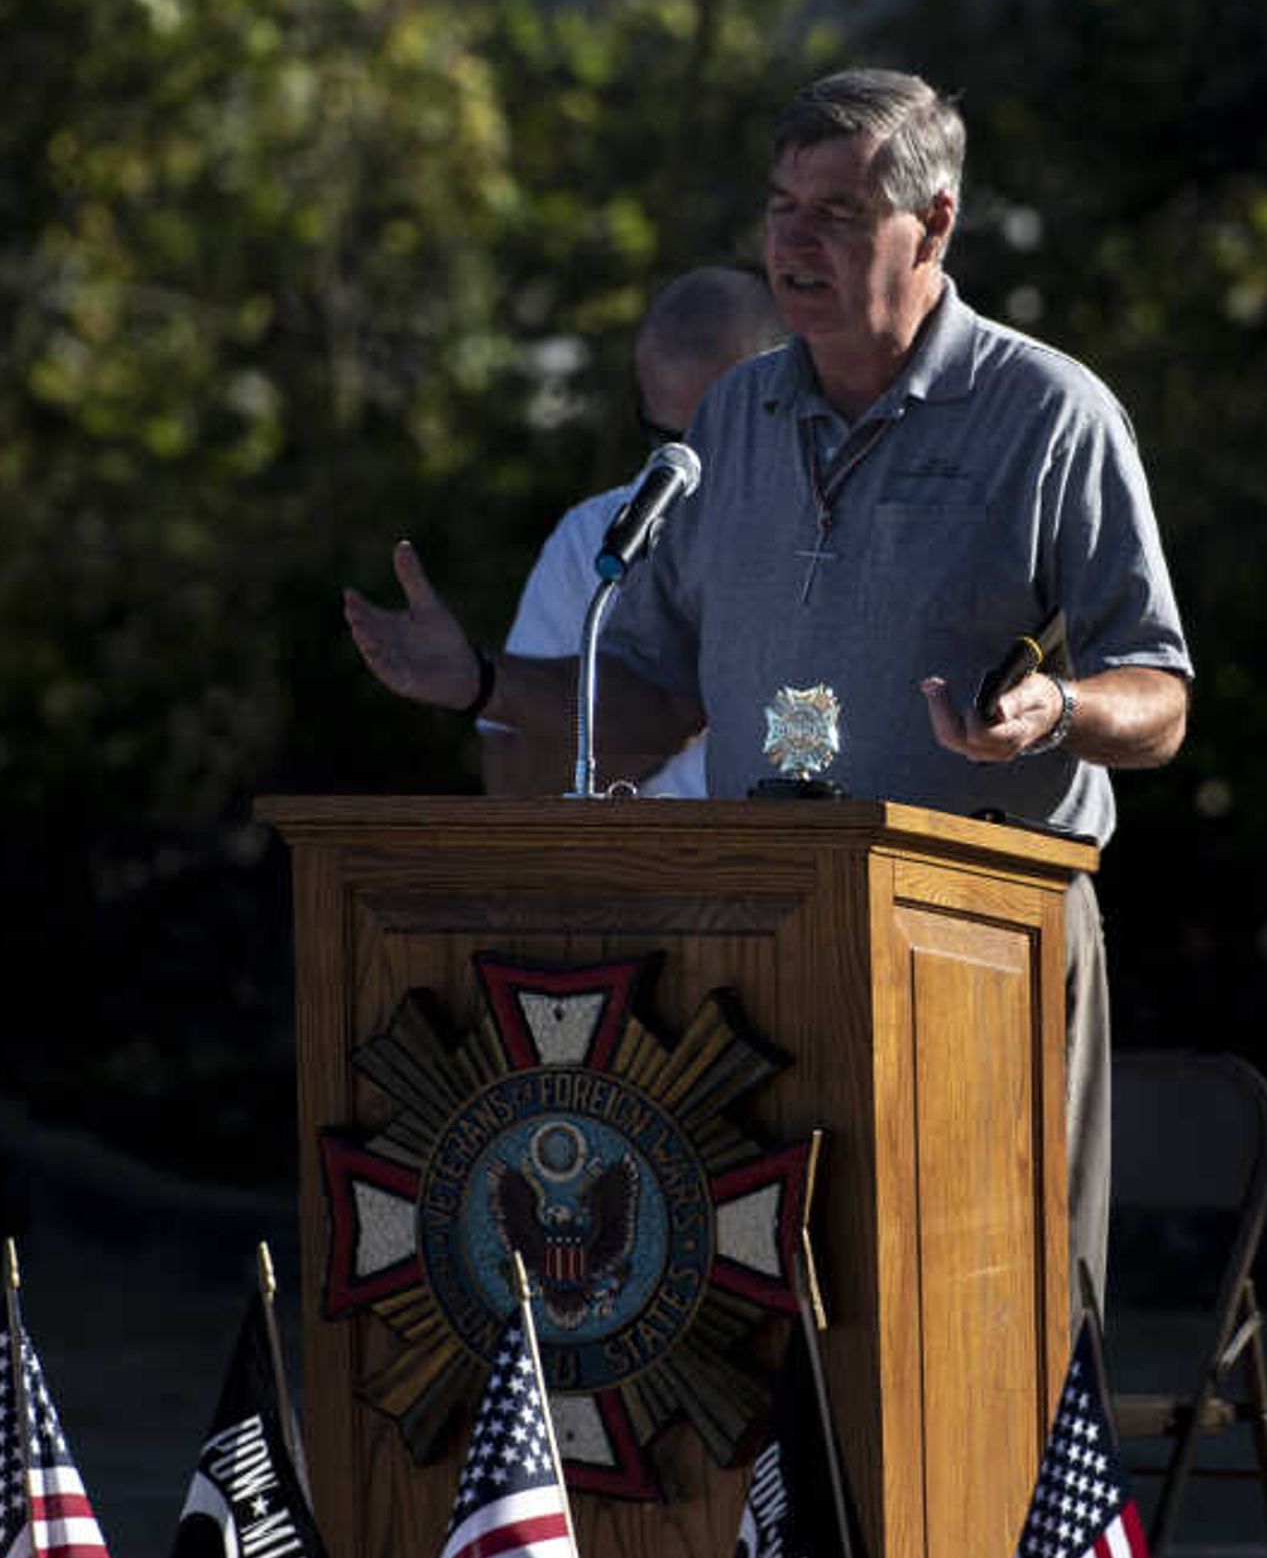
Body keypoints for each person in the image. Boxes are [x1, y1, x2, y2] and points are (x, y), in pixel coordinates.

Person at [344, 68, 1190, 1298]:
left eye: (838, 214)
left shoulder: (1049, 413)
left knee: (1002, 1306)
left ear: (936, 223)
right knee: (781, 1310)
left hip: (980, 934)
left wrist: (1055, 711)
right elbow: (658, 696)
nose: (793, 241)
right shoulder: (733, 418)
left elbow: (1159, 693)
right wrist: (478, 677)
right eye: (781, 207)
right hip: (760, 940)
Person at [477, 265, 789, 799]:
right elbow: (510, 782)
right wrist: (655, 706)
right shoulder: (596, 537)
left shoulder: (849, 521)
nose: (687, 467)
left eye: (713, 437)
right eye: (666, 438)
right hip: (643, 876)